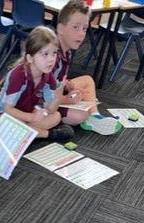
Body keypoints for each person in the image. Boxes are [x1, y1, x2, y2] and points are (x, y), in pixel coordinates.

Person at [0, 26, 75, 141]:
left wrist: (57, 97)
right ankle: (47, 134)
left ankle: (24, 132)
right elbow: (7, 108)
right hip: (3, 113)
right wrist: (31, 117)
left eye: (54, 53)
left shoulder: (48, 75)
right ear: (30, 58)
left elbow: (50, 110)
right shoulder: (18, 75)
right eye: (45, 54)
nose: (51, 59)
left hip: (26, 113)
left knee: (56, 116)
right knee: (8, 123)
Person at [55, 0, 122, 135]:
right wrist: (66, 99)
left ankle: (95, 116)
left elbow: (58, 79)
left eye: (84, 28)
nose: (81, 33)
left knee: (87, 80)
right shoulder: (51, 55)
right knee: (79, 116)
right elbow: (39, 95)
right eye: (75, 27)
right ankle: (85, 116)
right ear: (60, 28)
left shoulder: (66, 50)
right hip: (39, 101)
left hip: (54, 90)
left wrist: (68, 85)